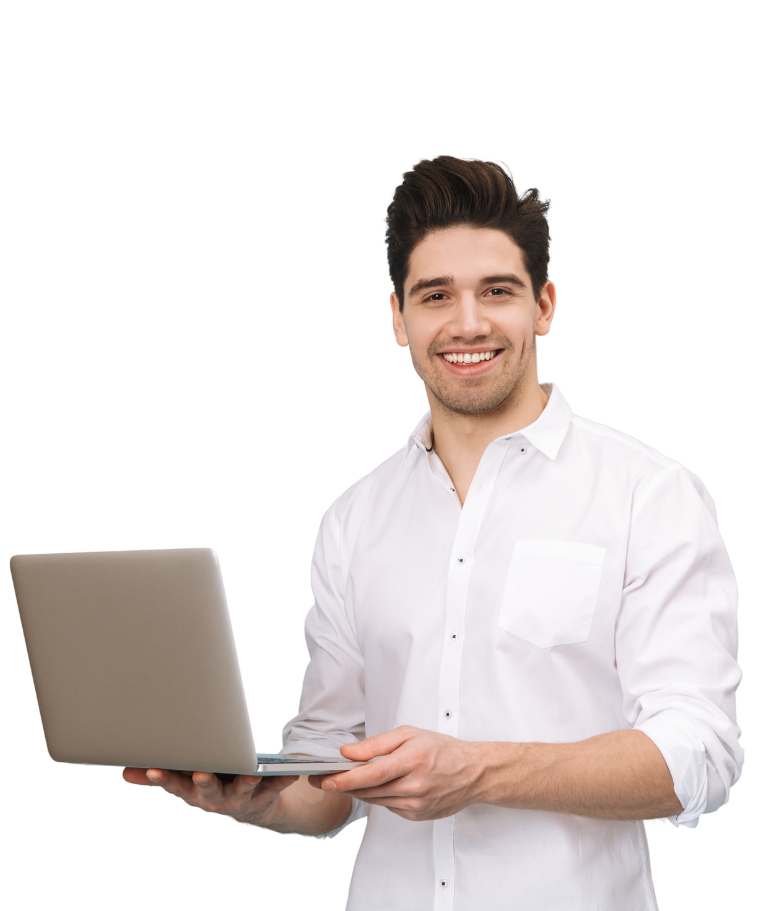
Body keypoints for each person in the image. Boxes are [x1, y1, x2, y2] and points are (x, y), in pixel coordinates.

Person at [123, 156, 743, 909]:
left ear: (545, 306)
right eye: (436, 295)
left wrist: (478, 769)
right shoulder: (356, 517)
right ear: (398, 318)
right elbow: (329, 774)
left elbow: (699, 755)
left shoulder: (651, 492)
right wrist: (254, 797)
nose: (469, 322)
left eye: (498, 291)